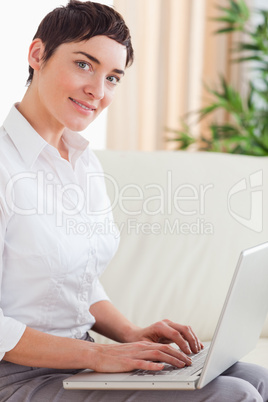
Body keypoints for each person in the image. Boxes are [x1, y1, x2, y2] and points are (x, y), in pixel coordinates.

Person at [0, 1, 267, 401]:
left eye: (113, 78)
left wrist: (129, 334)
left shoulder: (81, 161)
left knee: (258, 379)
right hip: (16, 376)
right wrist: (99, 355)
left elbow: (75, 280)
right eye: (84, 65)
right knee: (232, 394)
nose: (98, 91)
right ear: (38, 54)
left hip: (78, 359)